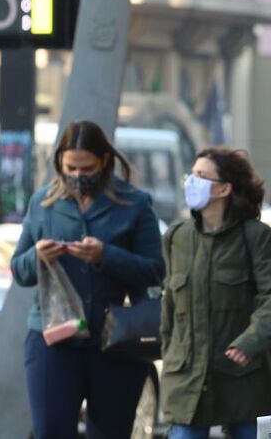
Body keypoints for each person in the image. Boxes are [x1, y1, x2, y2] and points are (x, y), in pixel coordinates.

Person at [10, 120, 165, 439]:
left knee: (111, 432)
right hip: (53, 338)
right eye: (70, 168)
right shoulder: (43, 203)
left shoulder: (134, 204)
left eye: (86, 168)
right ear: (59, 165)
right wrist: (36, 256)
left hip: (115, 340)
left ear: (105, 161)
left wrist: (105, 256)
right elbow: (19, 271)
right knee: (51, 432)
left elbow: (154, 269)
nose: (78, 176)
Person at [160, 147, 271, 439]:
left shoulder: (254, 236)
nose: (191, 182)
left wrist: (252, 341)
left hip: (242, 375)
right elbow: (168, 308)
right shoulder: (176, 237)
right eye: (191, 174)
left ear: (223, 188)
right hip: (187, 377)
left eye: (201, 175)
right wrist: (170, 357)